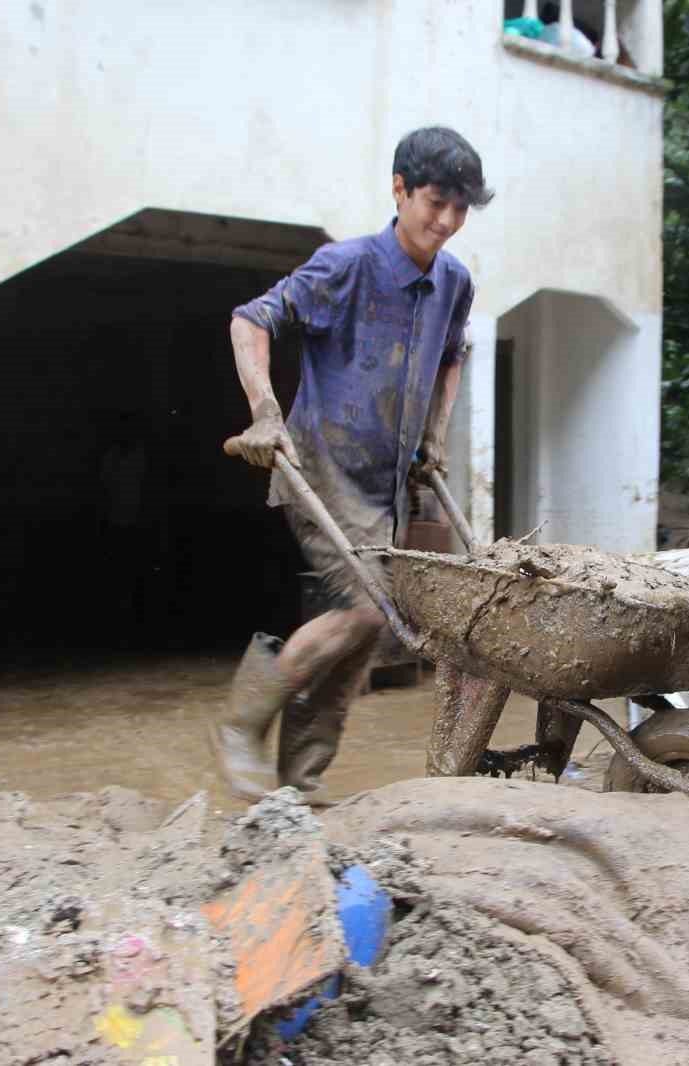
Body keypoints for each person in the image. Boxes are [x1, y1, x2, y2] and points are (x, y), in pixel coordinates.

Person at [212, 126, 494, 800]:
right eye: (435, 203)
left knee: (361, 642)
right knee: (372, 611)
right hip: (321, 467)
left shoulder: (455, 283)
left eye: (461, 209)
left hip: (387, 485)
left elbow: (453, 354)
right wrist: (264, 411)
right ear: (399, 190)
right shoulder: (346, 266)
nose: (448, 222)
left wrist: (435, 433)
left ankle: (296, 787)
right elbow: (251, 320)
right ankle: (240, 725)